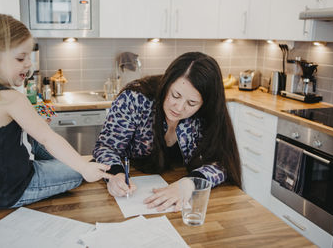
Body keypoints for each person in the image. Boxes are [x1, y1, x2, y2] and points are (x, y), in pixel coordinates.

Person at [0, 13, 111, 209]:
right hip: (10, 190)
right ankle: (83, 162)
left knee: (44, 142)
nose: (29, 64)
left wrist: (35, 120)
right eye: (21, 58)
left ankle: (78, 161)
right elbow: (48, 138)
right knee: (76, 172)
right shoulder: (11, 99)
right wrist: (83, 168)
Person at [93, 51, 242, 211]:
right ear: (167, 84)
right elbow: (106, 147)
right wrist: (115, 175)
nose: (179, 108)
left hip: (179, 199)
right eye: (175, 95)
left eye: (191, 103)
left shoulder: (207, 114)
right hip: (133, 192)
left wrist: (189, 183)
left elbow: (223, 162)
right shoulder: (134, 100)